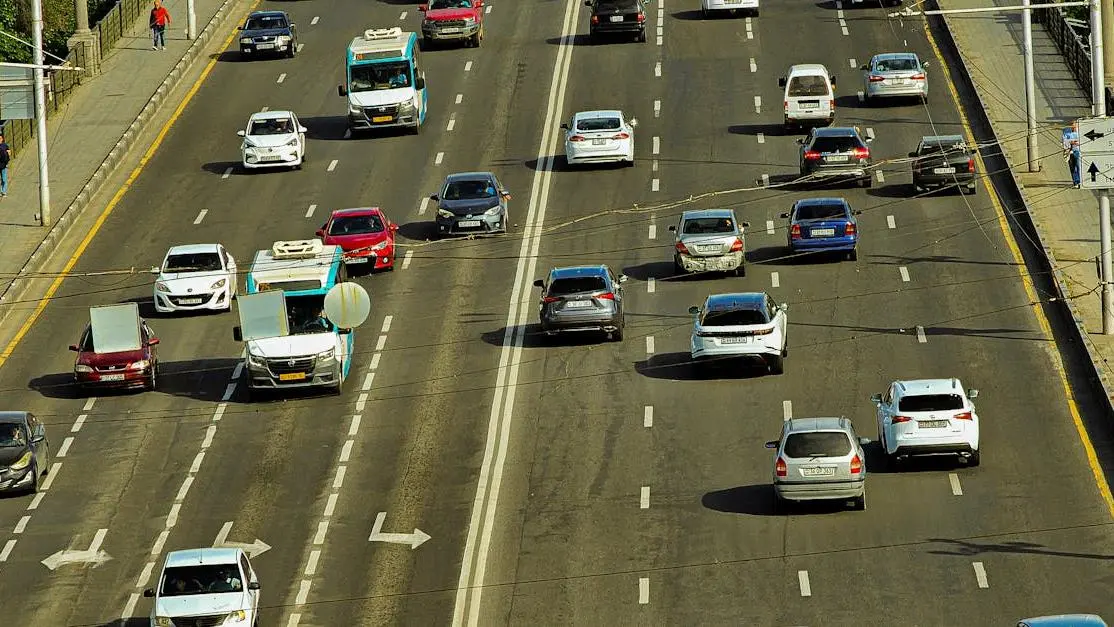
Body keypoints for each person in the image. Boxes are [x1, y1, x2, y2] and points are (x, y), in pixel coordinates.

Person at [0, 133, 10, 198]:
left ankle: (4, 192)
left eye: (0, 138)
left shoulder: (5, 145)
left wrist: (7, 161)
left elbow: (9, 153)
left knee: (4, 179)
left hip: (4, 165)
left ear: (2, 139)